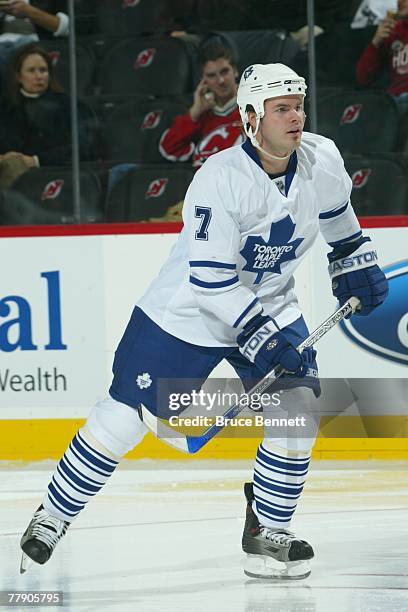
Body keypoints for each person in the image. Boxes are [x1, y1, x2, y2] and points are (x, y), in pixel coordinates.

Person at [19, 63, 388, 580]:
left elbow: (339, 222)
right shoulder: (219, 178)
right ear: (251, 117)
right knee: (123, 420)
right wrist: (264, 339)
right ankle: (51, 518)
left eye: (299, 105)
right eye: (282, 109)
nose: (296, 117)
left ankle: (267, 533)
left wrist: (354, 260)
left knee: (297, 410)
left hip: (272, 302)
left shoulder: (321, 157)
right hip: (188, 312)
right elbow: (213, 283)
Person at [0, 43, 94, 189]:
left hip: (52, 172)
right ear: (18, 77)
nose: (39, 76)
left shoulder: (68, 105)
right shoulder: (5, 108)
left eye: (43, 70)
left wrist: (35, 160)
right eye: (31, 71)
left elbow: (82, 147)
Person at [159, 41, 244, 169]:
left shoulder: (254, 105)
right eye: (211, 75)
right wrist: (194, 113)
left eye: (225, 72)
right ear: (203, 80)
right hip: (202, 184)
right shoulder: (200, 115)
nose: (220, 80)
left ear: (235, 71)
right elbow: (168, 150)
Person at [356, 0, 408, 113]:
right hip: (391, 102)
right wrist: (376, 42)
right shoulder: (394, 31)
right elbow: (363, 78)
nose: (400, 1)